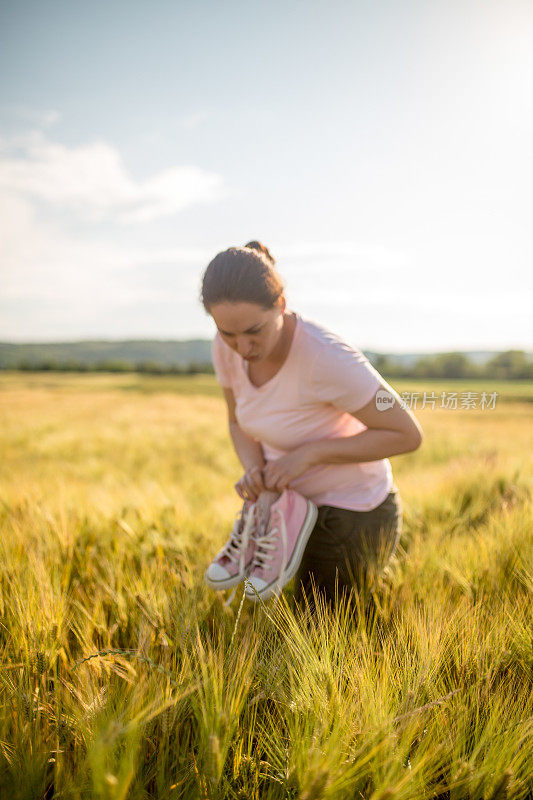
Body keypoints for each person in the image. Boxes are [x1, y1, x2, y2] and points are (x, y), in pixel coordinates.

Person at [201, 241, 423, 612]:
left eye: (253, 330)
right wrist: (254, 470)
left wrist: (310, 455)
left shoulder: (327, 358)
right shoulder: (226, 348)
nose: (241, 346)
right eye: (227, 333)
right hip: (285, 513)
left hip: (352, 514)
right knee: (274, 624)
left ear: (281, 305)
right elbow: (237, 421)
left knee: (319, 630)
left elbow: (406, 433)